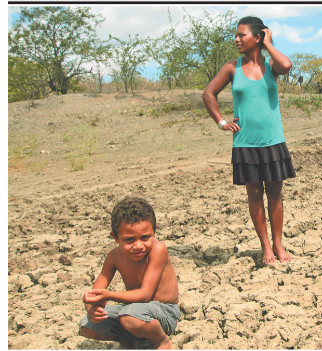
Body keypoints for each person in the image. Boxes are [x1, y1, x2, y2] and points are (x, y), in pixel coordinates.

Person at [202, 16, 295, 265]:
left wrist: (269, 44)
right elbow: (208, 94)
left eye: (242, 35)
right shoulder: (232, 68)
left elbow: (286, 66)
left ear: (257, 37)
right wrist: (222, 122)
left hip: (273, 140)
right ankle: (265, 247)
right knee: (254, 194)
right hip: (245, 143)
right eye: (236, 35)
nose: (236, 39)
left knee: (275, 194)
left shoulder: (271, 65)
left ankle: (278, 243)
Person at [79, 197, 180, 349]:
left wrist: (109, 295)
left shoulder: (158, 250)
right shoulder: (114, 257)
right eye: (129, 240)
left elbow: (145, 294)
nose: (138, 245)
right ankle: (129, 340)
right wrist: (92, 307)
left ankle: (161, 341)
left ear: (154, 231)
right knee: (87, 324)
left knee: (129, 316)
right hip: (133, 311)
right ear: (115, 237)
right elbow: (94, 293)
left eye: (145, 237)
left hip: (163, 312)